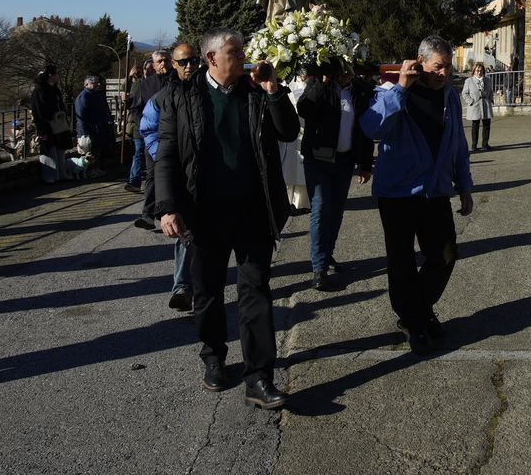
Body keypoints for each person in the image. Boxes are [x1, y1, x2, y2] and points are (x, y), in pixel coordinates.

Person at [154, 28, 299, 409]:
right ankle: (214, 356)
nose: (244, 56)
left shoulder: (256, 92)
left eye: (242, 50)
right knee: (207, 293)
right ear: (212, 59)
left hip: (253, 209)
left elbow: (289, 131)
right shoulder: (182, 97)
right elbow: (166, 154)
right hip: (205, 213)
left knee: (256, 292)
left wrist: (274, 91)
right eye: (235, 51)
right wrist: (167, 207)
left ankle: (259, 377)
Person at [359, 35, 473, 356]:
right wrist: (400, 88)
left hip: (434, 192)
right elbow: (372, 127)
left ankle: (417, 313)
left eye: (447, 68)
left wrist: (464, 186)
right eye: (437, 67)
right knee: (402, 262)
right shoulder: (392, 90)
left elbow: (458, 146)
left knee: (445, 254)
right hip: (397, 194)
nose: (443, 74)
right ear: (420, 62)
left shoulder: (450, 97)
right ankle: (415, 321)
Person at [296, 64, 375, 291]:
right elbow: (304, 109)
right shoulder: (317, 86)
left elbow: (365, 128)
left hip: (345, 161)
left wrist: (366, 164)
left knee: (337, 210)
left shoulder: (360, 90)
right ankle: (318, 268)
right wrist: (322, 83)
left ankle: (327, 252)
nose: (344, 74)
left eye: (348, 70)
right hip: (318, 160)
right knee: (320, 209)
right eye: (339, 69)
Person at [139, 43, 201, 312]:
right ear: (174, 64)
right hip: (176, 172)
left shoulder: (206, 91)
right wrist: (163, 154)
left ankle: (192, 286)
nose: (189, 66)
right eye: (183, 61)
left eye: (193, 60)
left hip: (201, 174)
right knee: (185, 232)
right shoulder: (162, 97)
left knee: (197, 233)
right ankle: (182, 286)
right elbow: (148, 130)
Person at [129, 50, 173, 228]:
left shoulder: (178, 82)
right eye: (159, 61)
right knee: (152, 175)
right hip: (152, 137)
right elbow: (135, 109)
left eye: (165, 61)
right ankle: (147, 214)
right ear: (153, 65)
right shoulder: (144, 85)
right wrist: (145, 126)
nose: (163, 64)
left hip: (174, 135)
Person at [30, 64, 73, 183]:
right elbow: (37, 111)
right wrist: (41, 130)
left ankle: (60, 174)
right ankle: (50, 177)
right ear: (50, 75)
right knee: (49, 151)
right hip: (47, 125)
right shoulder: (39, 91)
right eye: (56, 73)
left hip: (58, 124)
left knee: (60, 150)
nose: (58, 76)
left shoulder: (54, 89)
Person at [73, 75, 113, 177]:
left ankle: (96, 168)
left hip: (98, 128)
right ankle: (90, 170)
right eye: (93, 82)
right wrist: (84, 132)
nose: (96, 84)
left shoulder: (95, 95)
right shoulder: (84, 97)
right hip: (90, 129)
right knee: (90, 151)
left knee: (97, 150)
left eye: (97, 82)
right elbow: (81, 116)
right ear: (86, 84)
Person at [461, 62, 493, 152]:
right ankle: (474, 145)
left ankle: (485, 144)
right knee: (475, 126)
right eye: (477, 70)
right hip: (475, 106)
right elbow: (464, 93)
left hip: (486, 105)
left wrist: (491, 99)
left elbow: (490, 91)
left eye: (481, 70)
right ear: (474, 71)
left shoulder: (487, 80)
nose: (479, 72)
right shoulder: (468, 81)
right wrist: (471, 101)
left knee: (487, 125)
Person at [124, 63, 145, 192]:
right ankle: (134, 181)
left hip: (152, 125)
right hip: (138, 125)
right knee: (138, 153)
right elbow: (130, 103)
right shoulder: (137, 84)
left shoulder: (154, 83)